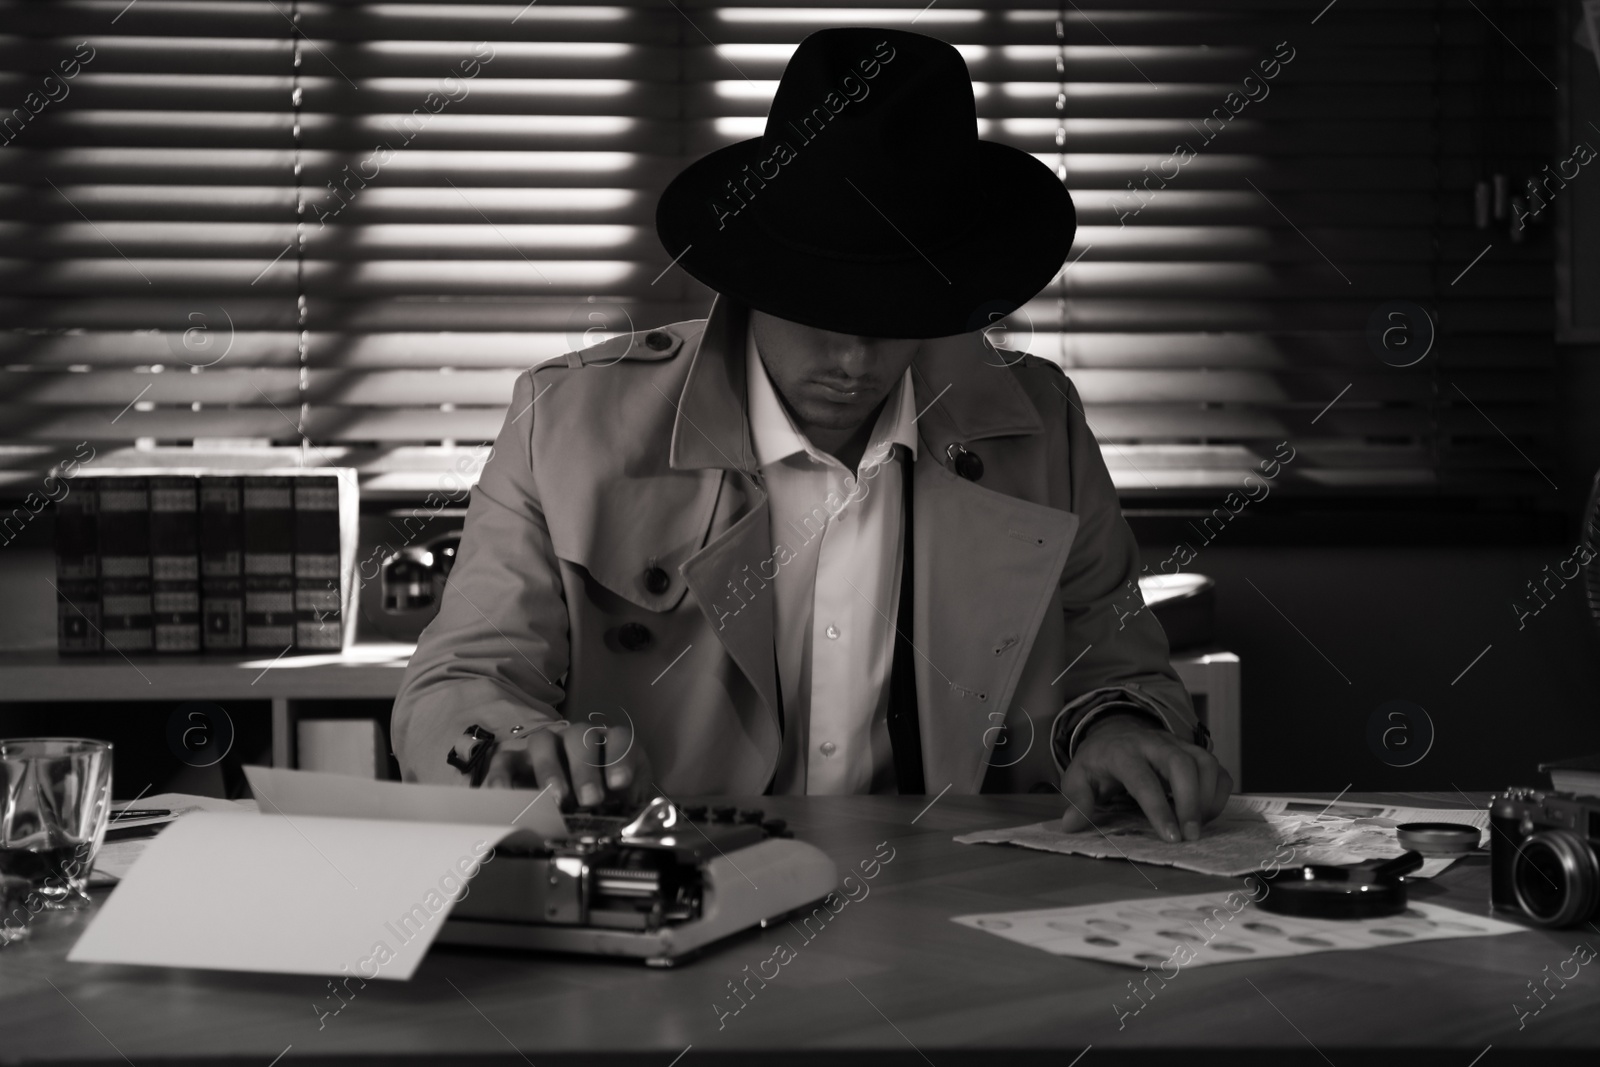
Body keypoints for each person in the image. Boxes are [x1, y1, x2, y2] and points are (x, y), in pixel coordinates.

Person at [391, 26, 1232, 842]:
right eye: (823, 309)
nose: (855, 357)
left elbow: (1117, 668)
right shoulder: (565, 422)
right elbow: (460, 681)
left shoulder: (1040, 426)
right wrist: (513, 747)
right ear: (754, 276)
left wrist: (1116, 730)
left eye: (898, 314)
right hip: (675, 895)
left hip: (954, 906)